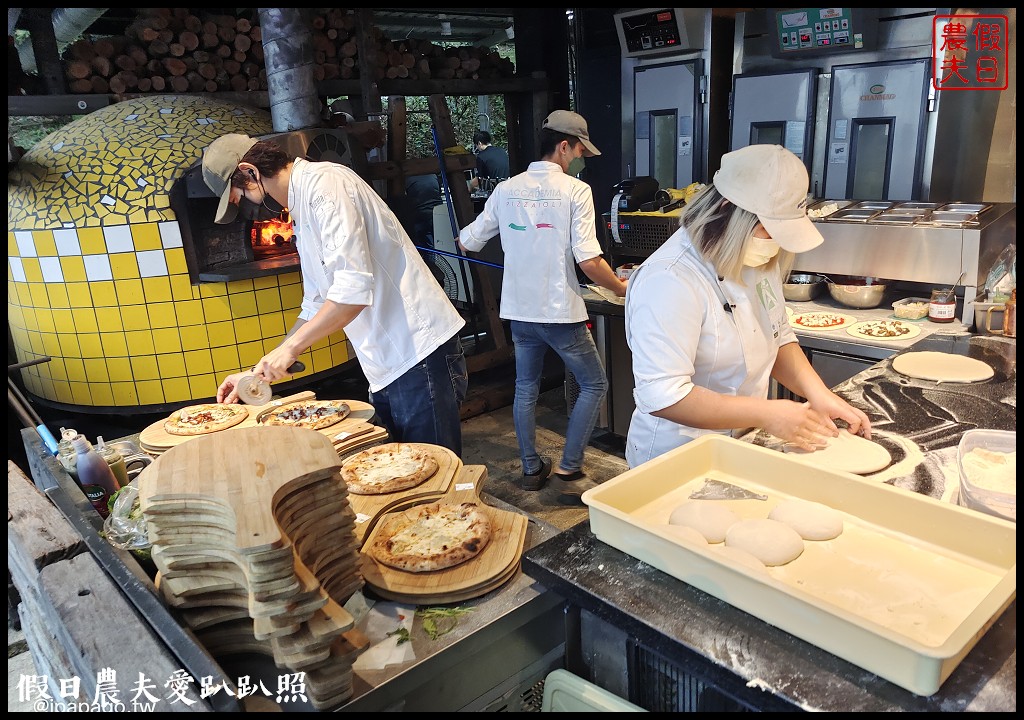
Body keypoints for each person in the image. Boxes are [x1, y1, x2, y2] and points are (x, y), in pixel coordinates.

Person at [201, 133, 468, 456]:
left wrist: (292, 349)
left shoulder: (327, 186)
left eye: (240, 196)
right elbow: (315, 302)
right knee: (407, 466)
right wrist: (259, 372)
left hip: (417, 350)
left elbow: (352, 293)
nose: (249, 208)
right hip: (383, 363)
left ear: (251, 172)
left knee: (437, 475)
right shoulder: (301, 211)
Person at [624, 143, 872, 468]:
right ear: (728, 210)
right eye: (769, 228)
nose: (775, 242)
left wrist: (819, 394)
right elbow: (663, 395)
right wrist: (768, 413)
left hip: (740, 445)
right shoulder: (670, 279)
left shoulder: (757, 259)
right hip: (676, 456)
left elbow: (778, 335)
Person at [458, 110, 628, 490]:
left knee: (525, 387)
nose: (580, 159)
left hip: (519, 312)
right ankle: (569, 464)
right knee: (594, 384)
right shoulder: (575, 191)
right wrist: (621, 288)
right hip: (559, 312)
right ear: (563, 146)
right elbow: (588, 259)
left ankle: (531, 468)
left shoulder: (505, 189)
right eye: (579, 152)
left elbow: (466, 241)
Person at [403, 172, 443, 249]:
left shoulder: (407, 178)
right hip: (438, 213)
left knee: (424, 246)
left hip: (420, 215)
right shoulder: (432, 174)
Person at [468, 129, 509, 194]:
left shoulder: (481, 156)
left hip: (495, 189)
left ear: (479, 143)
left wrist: (469, 188)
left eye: (476, 145)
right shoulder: (502, 151)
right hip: (508, 185)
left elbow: (478, 180)